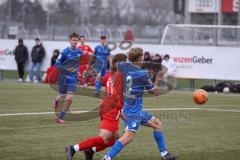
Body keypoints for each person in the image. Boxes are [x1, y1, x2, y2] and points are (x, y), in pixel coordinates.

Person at [101, 48, 176, 160]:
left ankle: (164, 155)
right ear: (140, 59)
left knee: (157, 124)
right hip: (133, 111)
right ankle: (106, 158)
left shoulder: (123, 67)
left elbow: (113, 61)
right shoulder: (142, 74)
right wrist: (157, 79)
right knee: (128, 137)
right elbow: (153, 91)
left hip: (132, 108)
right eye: (142, 58)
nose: (143, 60)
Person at [65, 53, 127, 160]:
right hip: (111, 110)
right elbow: (118, 97)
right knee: (104, 139)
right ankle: (73, 148)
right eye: (126, 62)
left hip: (105, 106)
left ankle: (90, 150)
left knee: (116, 140)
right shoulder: (120, 75)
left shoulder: (112, 74)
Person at [53, 32, 83, 124]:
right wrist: (66, 69)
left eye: (76, 40)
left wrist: (79, 72)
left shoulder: (79, 52)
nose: (75, 42)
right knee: (62, 97)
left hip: (73, 78)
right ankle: (56, 100)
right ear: (70, 41)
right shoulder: (64, 52)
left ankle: (60, 117)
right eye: (73, 40)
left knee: (69, 98)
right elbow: (56, 64)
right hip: (63, 77)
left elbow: (79, 64)